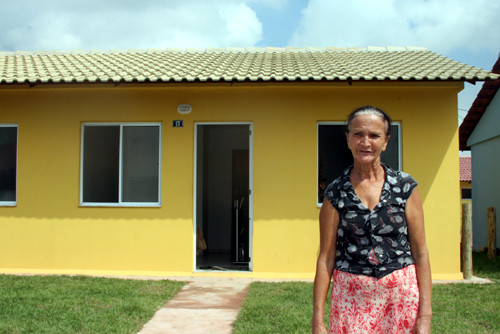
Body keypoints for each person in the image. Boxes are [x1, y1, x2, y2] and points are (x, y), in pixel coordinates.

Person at [312, 106, 432, 334]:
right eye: (358, 134)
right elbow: (325, 258)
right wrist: (318, 321)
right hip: (350, 301)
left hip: (400, 301)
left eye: (374, 135)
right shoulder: (335, 193)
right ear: (348, 139)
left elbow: (420, 251)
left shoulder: (404, 186)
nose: (365, 142)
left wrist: (425, 315)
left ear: (386, 141)